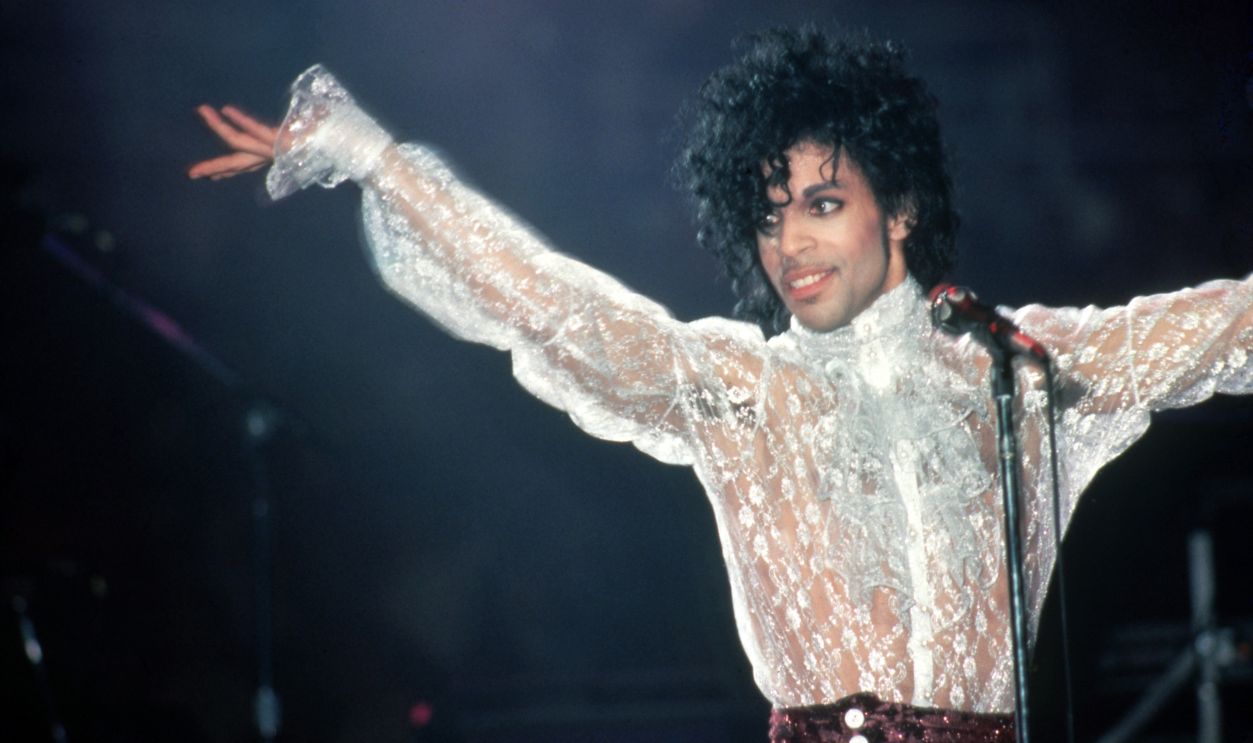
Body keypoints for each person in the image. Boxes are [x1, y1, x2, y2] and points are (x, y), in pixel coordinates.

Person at [189, 26, 1252, 743]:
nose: (788, 238)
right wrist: (374, 158)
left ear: (902, 208)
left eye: (821, 202)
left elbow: (1223, 325)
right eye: (767, 210)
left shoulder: (1013, 363)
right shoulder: (740, 387)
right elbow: (547, 305)